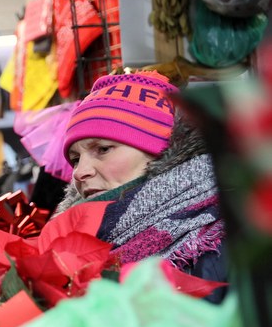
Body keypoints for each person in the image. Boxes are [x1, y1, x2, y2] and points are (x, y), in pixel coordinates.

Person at [58, 71, 227, 298]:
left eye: (103, 149)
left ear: (162, 155)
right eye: (75, 159)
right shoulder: (61, 252)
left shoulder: (221, 246)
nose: (79, 172)